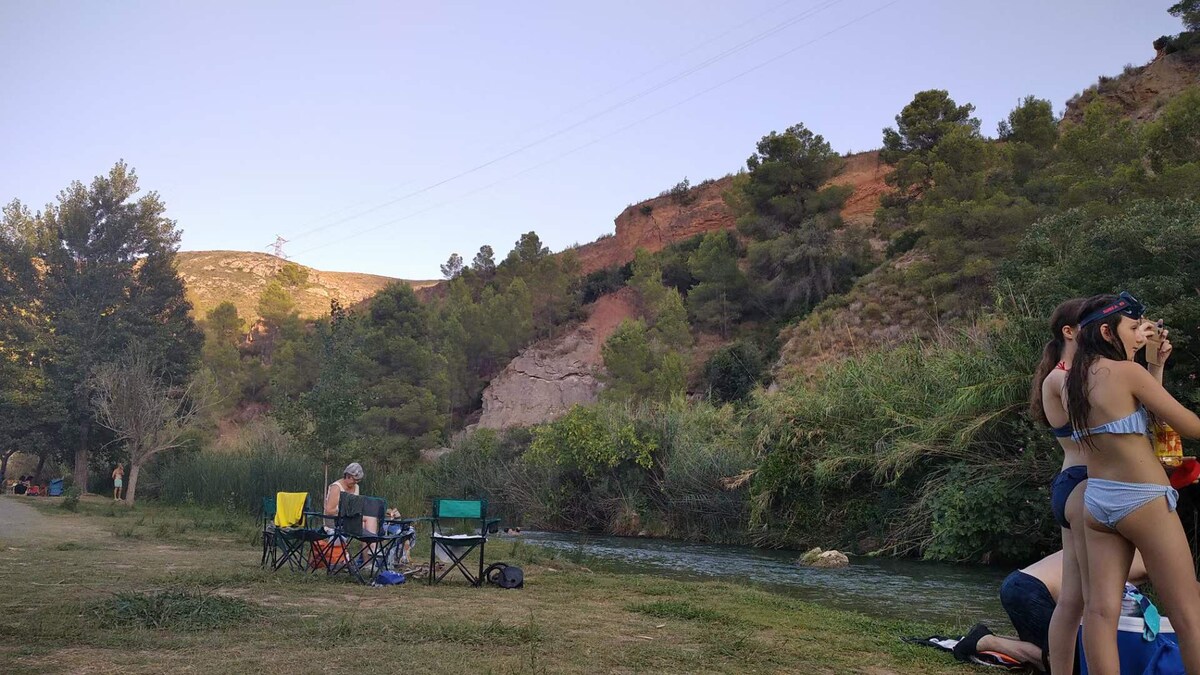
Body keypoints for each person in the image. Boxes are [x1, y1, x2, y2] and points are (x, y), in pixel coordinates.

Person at [1064, 292, 1200, 674]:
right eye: (1132, 328)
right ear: (1107, 331)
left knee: (1100, 613)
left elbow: (1143, 419)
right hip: (1143, 501)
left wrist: (1154, 367)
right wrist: (1146, 370)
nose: (1140, 336)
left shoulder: (1073, 380)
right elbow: (1186, 425)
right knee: (1190, 615)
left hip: (1098, 502)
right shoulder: (1126, 373)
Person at [954, 549, 1148, 670]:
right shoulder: (1143, 562)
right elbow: (1098, 602)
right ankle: (986, 641)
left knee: (1065, 653)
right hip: (1030, 590)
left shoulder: (1119, 545)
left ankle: (991, 640)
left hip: (1023, 584)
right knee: (1072, 665)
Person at [323, 462, 363, 532]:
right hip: (335, 521)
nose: (356, 482)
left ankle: (370, 541)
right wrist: (345, 511)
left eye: (358, 480)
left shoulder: (356, 487)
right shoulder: (336, 487)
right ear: (347, 475)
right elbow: (329, 511)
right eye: (354, 479)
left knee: (370, 517)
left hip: (350, 519)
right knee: (368, 519)